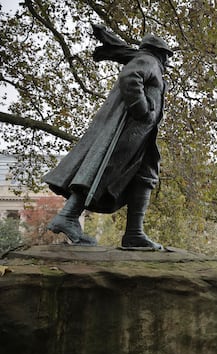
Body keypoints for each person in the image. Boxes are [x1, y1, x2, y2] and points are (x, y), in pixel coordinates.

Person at [43, 24, 173, 250]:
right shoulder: (148, 61)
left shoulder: (148, 61)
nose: (169, 62)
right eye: (167, 56)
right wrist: (141, 109)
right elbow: (130, 78)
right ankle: (67, 216)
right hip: (128, 133)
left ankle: (134, 233)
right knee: (102, 170)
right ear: (159, 53)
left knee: (145, 177)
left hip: (143, 136)